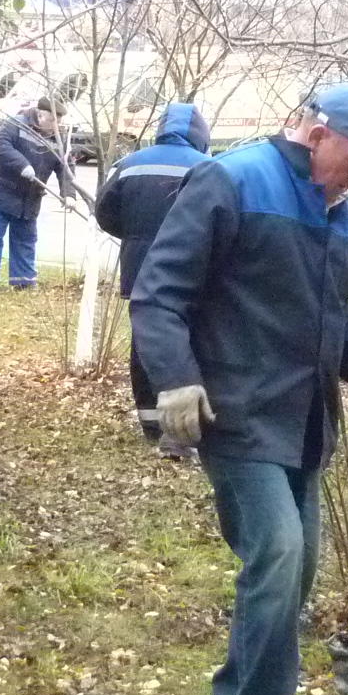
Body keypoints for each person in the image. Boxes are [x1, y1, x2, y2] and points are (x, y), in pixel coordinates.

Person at [130, 84, 348, 695]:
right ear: (318, 135)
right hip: (235, 407)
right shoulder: (232, 180)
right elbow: (159, 292)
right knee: (279, 554)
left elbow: (336, 318)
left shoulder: (341, 215)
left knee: (299, 565)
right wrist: (175, 379)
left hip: (304, 416)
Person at [93, 102, 212, 453]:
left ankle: (150, 420)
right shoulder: (209, 168)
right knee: (191, 338)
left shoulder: (130, 164)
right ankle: (186, 424)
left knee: (145, 339)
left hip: (139, 264)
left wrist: (134, 236)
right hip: (193, 268)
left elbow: (105, 212)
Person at [0, 96, 77, 291]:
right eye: (53, 120)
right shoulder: (16, 124)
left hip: (29, 198)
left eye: (59, 121)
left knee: (25, 240)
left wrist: (69, 194)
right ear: (40, 115)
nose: (56, 126)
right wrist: (22, 165)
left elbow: (65, 168)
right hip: (1, 192)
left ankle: (23, 281)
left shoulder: (59, 139)